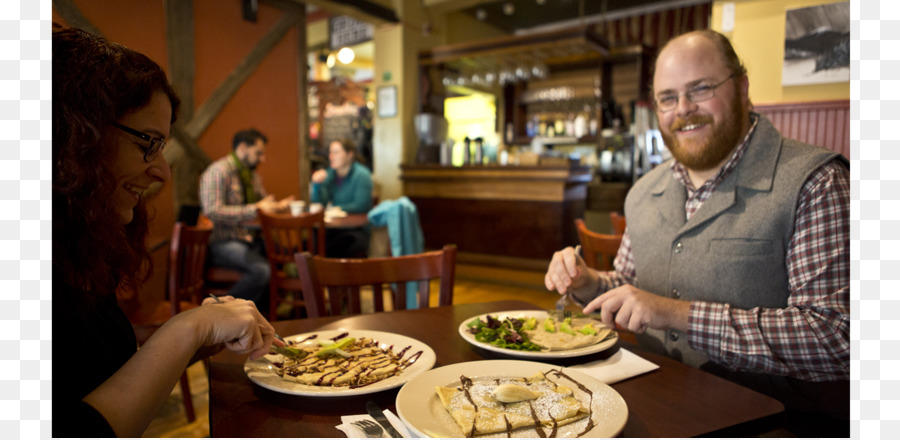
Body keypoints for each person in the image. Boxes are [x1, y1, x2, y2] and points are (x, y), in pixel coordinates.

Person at [544, 30, 849, 435]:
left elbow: (837, 337)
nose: (683, 110)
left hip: (777, 421)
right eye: (667, 98)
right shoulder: (643, 192)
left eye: (700, 89)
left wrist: (677, 314)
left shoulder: (817, 182)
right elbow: (634, 288)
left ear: (741, 88)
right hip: (654, 405)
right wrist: (589, 283)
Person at [52, 26, 280, 437]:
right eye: (148, 142)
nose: (161, 170)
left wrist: (194, 339)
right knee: (261, 271)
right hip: (223, 241)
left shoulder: (71, 253)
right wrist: (188, 327)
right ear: (73, 132)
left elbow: (95, 378)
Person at [199, 129, 294, 310]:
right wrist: (256, 209)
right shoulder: (218, 172)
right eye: (258, 153)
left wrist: (278, 206)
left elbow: (263, 202)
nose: (262, 158)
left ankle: (264, 317)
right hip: (223, 242)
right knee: (262, 271)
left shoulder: (250, 175)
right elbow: (212, 211)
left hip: (249, 240)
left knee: (286, 258)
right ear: (242, 148)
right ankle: (216, 311)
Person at [310, 138, 373, 257]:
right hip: (334, 228)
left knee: (337, 244)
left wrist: (334, 208)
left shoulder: (362, 175)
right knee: (313, 239)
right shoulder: (330, 174)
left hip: (357, 230)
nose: (331, 156)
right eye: (330, 152)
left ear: (349, 155)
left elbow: (361, 205)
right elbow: (319, 204)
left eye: (336, 152)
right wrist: (316, 184)